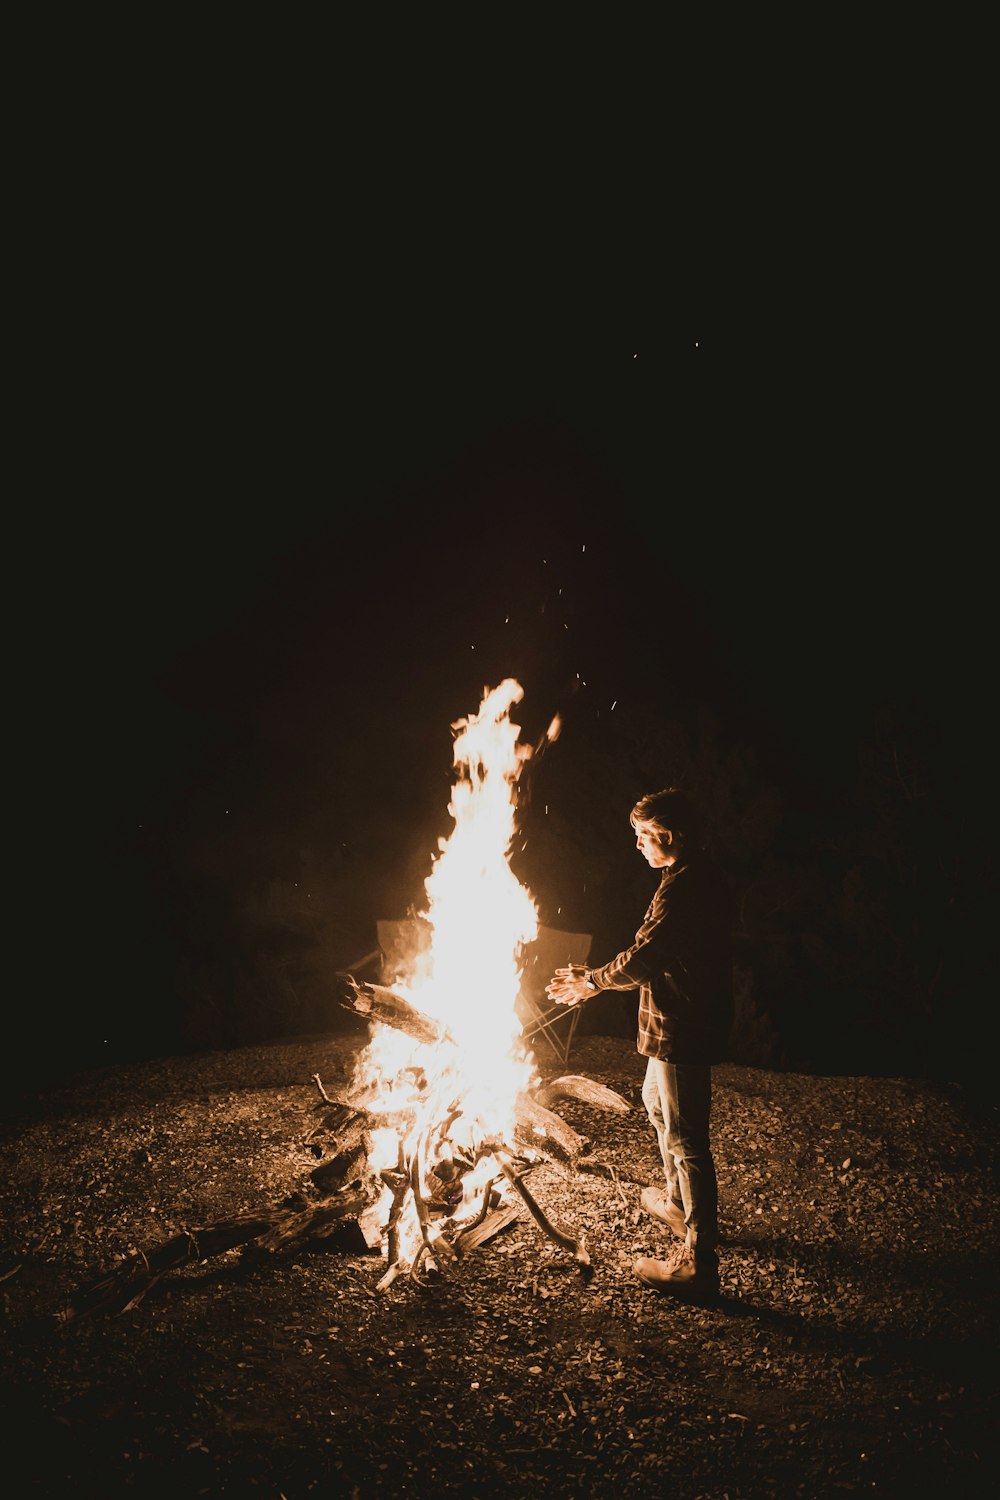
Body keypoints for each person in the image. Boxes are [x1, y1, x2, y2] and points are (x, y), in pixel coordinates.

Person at [546, 787, 733, 1299]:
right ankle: (678, 1204)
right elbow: (647, 953)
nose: (638, 846)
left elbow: (644, 957)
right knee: (656, 1106)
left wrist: (594, 982)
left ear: (669, 836)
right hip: (670, 1021)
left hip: (681, 1025)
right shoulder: (686, 877)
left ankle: (699, 1262)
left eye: (643, 836)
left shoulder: (684, 888)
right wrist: (596, 975)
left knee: (685, 1136)